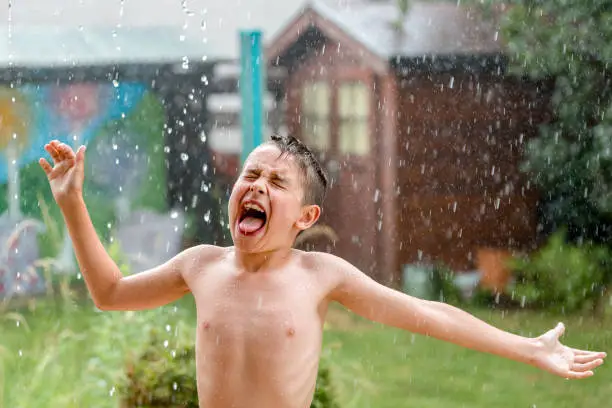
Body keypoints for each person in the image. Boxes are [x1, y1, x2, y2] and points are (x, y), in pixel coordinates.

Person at [39, 135, 605, 408]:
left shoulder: (320, 276)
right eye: (251, 175)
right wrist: (71, 202)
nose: (257, 185)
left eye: (277, 183)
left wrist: (527, 348)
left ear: (305, 218)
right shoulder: (200, 266)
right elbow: (110, 292)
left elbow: (429, 314)